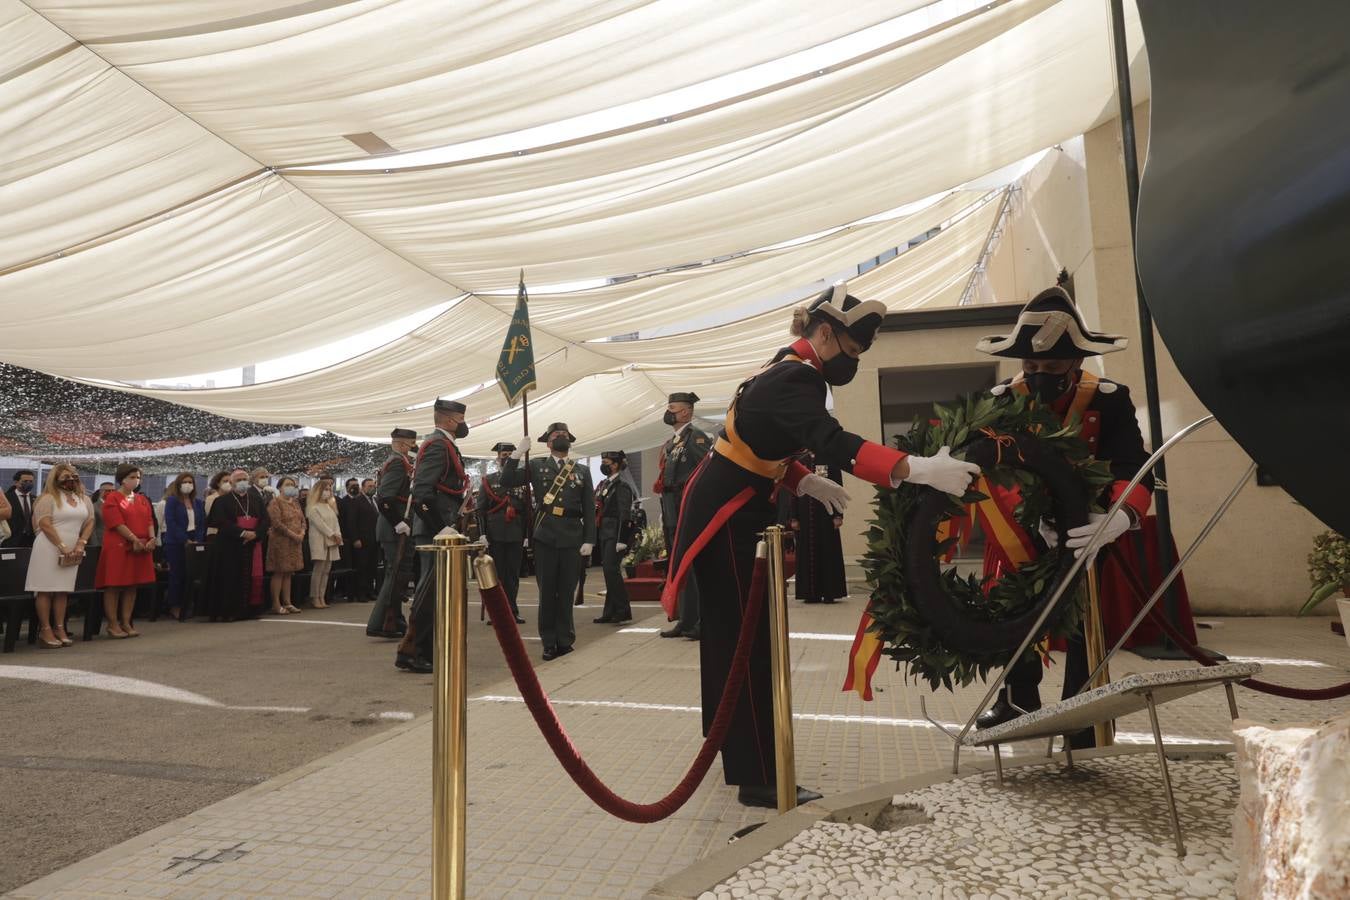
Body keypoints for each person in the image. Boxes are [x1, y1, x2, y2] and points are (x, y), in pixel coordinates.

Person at [663, 285, 980, 808]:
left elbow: (761, 443)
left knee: (729, 638)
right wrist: (915, 469)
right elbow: (834, 441)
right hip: (732, 515)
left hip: (736, 503)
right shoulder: (796, 377)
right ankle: (760, 776)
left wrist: (802, 480)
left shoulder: (783, 367)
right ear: (827, 333)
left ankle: (735, 753)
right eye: (852, 353)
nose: (852, 364)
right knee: (748, 641)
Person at [971, 283, 1153, 749]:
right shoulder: (1000, 397)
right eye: (1030, 366)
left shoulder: (1108, 398)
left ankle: (1083, 707)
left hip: (1087, 529)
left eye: (1051, 367)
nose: (1038, 376)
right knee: (1012, 608)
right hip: (1017, 526)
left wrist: (1119, 517)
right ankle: (1017, 698)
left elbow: (1134, 466)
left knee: (1084, 619)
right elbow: (986, 468)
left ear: (1076, 362)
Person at [502, 422, 595, 661]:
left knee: (566, 592)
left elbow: (589, 508)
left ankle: (565, 640)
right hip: (546, 536)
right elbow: (507, 480)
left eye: (565, 434)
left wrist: (590, 539)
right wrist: (517, 454)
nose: (561, 437)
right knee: (547, 593)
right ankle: (549, 641)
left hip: (573, 536)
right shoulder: (536, 465)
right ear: (548, 442)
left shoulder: (581, 471)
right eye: (556, 435)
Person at [397, 400, 471, 673]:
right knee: (431, 593)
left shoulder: (445, 444)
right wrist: (440, 526)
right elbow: (422, 493)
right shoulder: (439, 445)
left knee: (437, 592)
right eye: (462, 419)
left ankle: (424, 648)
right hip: (433, 531)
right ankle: (413, 650)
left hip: (439, 529)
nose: (465, 424)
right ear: (451, 420)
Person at [655, 392, 710, 639]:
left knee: (695, 567)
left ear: (687, 412)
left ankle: (700, 620)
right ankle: (685, 620)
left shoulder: (696, 438)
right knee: (679, 568)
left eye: (673, 408)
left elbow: (704, 475)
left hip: (687, 509)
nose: (669, 412)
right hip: (671, 510)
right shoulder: (672, 442)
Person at [25, 463, 94, 649]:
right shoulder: (47, 498)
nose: (71, 480)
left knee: (63, 590)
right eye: (66, 477)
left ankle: (60, 628)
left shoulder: (83, 499)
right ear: (56, 479)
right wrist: (62, 546)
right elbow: (44, 524)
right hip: (49, 546)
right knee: (45, 589)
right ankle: (45, 630)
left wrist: (81, 543)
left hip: (74, 547)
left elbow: (89, 522)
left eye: (74, 476)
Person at [95, 464, 158, 638]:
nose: (136, 480)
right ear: (122, 478)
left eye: (138, 477)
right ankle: (112, 624)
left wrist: (152, 538)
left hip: (141, 546)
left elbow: (149, 520)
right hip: (119, 546)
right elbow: (116, 523)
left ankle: (126, 622)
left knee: (132, 585)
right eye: (132, 477)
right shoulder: (113, 497)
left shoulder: (142, 499)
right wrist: (133, 539)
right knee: (114, 586)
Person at [369, 428, 417, 638]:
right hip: (393, 527)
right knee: (395, 574)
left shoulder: (400, 461)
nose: (413, 447)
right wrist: (398, 523)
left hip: (396, 526)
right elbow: (385, 497)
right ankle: (381, 623)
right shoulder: (398, 463)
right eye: (411, 443)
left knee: (397, 575)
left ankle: (394, 619)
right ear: (401, 444)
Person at [783, 451, 848, 603]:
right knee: (806, 552)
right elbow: (792, 491)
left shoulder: (830, 458)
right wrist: (793, 517)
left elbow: (837, 487)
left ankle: (830, 593)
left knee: (828, 551)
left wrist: (838, 515)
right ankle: (810, 594)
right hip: (804, 517)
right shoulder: (800, 460)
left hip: (826, 515)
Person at [477, 442, 529, 625]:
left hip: (516, 532)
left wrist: (527, 534)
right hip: (495, 533)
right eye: (503, 454)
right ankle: (498, 614)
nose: (506, 457)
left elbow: (528, 509)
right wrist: (482, 534)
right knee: (497, 576)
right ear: (497, 458)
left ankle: (512, 611)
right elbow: (480, 510)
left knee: (513, 575)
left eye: (509, 454)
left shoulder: (522, 479)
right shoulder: (488, 480)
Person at [204, 468, 265, 621]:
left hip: (252, 544)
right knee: (230, 578)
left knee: (250, 577)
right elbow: (220, 521)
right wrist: (243, 533)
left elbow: (265, 520)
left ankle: (249, 610)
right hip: (229, 545)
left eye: (244, 479)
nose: (242, 482)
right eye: (238, 480)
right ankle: (229, 611)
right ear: (231, 483)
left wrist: (255, 534)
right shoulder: (221, 501)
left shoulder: (256, 499)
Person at [594, 450, 637, 625]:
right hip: (605, 532)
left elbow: (625, 514)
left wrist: (622, 539)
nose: (604, 465)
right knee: (608, 572)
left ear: (616, 465)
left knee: (611, 570)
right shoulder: (605, 484)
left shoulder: (622, 486)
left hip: (615, 533)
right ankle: (610, 611)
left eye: (607, 462)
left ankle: (623, 610)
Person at [162, 472, 206, 621]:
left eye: (190, 482)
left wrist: (197, 540)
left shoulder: (198, 502)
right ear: (179, 484)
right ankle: (175, 606)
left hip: (194, 542)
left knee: (191, 575)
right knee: (177, 575)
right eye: (185, 482)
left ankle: (189, 604)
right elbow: (171, 522)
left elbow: (201, 524)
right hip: (176, 543)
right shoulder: (172, 501)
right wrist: (185, 539)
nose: (188, 485)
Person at [266, 476, 306, 615]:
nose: (291, 487)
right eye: (288, 484)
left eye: (293, 485)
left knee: (289, 572)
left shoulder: (295, 503)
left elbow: (302, 520)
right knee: (279, 572)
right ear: (280, 487)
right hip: (280, 542)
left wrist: (302, 533)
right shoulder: (275, 502)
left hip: (295, 543)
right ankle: (276, 604)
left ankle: (287, 602)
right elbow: (276, 523)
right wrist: (293, 534)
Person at [306, 478, 343, 609]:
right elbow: (320, 524)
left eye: (329, 490)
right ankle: (314, 597)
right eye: (325, 489)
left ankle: (322, 596)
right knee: (319, 569)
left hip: (332, 541)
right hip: (319, 540)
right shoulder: (313, 507)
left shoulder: (330, 506)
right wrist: (332, 535)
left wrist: (337, 535)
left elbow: (336, 523)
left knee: (326, 570)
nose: (328, 492)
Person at [344, 477, 380, 602]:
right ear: (363, 488)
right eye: (369, 486)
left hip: (375, 539)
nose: (372, 488)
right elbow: (351, 522)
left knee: (372, 567)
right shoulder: (357, 501)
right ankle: (361, 592)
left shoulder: (375, 500)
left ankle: (370, 590)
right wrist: (355, 538)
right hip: (362, 539)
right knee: (362, 567)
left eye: (373, 486)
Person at [3, 469, 38, 548]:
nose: (28, 483)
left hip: (31, 542)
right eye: (25, 481)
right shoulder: (6, 498)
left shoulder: (35, 499)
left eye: (31, 481)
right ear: (16, 482)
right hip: (11, 541)